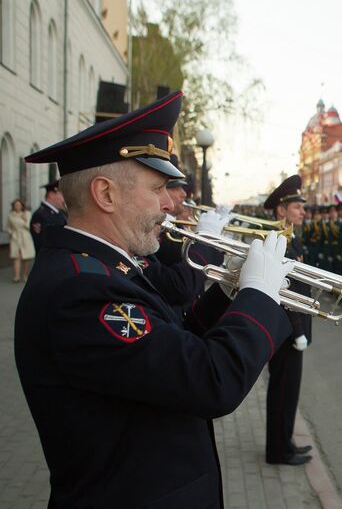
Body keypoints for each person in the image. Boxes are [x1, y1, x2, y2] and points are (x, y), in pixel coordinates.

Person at [15, 91, 293, 508]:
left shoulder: (103, 267)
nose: (170, 204)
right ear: (105, 194)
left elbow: (171, 341)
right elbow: (210, 381)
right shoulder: (80, 290)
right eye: (158, 188)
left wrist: (227, 292)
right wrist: (258, 296)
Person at [263, 175, 314, 465]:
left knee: (288, 391)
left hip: (291, 330)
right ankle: (279, 450)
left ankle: (286, 442)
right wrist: (297, 330)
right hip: (286, 332)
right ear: (282, 211)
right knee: (283, 390)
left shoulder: (291, 239)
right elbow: (285, 291)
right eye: (297, 207)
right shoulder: (280, 242)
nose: (303, 211)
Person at [29, 179, 68, 251]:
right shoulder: (40, 215)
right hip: (50, 260)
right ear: (51, 195)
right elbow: (42, 243)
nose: (64, 199)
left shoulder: (61, 213)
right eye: (62, 195)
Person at [6, 199, 36, 282]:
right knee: (16, 257)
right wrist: (11, 233)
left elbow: (29, 226)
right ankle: (16, 276)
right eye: (16, 205)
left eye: (19, 205)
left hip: (25, 237)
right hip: (15, 237)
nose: (17, 206)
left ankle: (25, 275)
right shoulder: (10, 215)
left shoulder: (27, 214)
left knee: (25, 257)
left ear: (22, 206)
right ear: (13, 206)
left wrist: (25, 219)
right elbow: (8, 227)